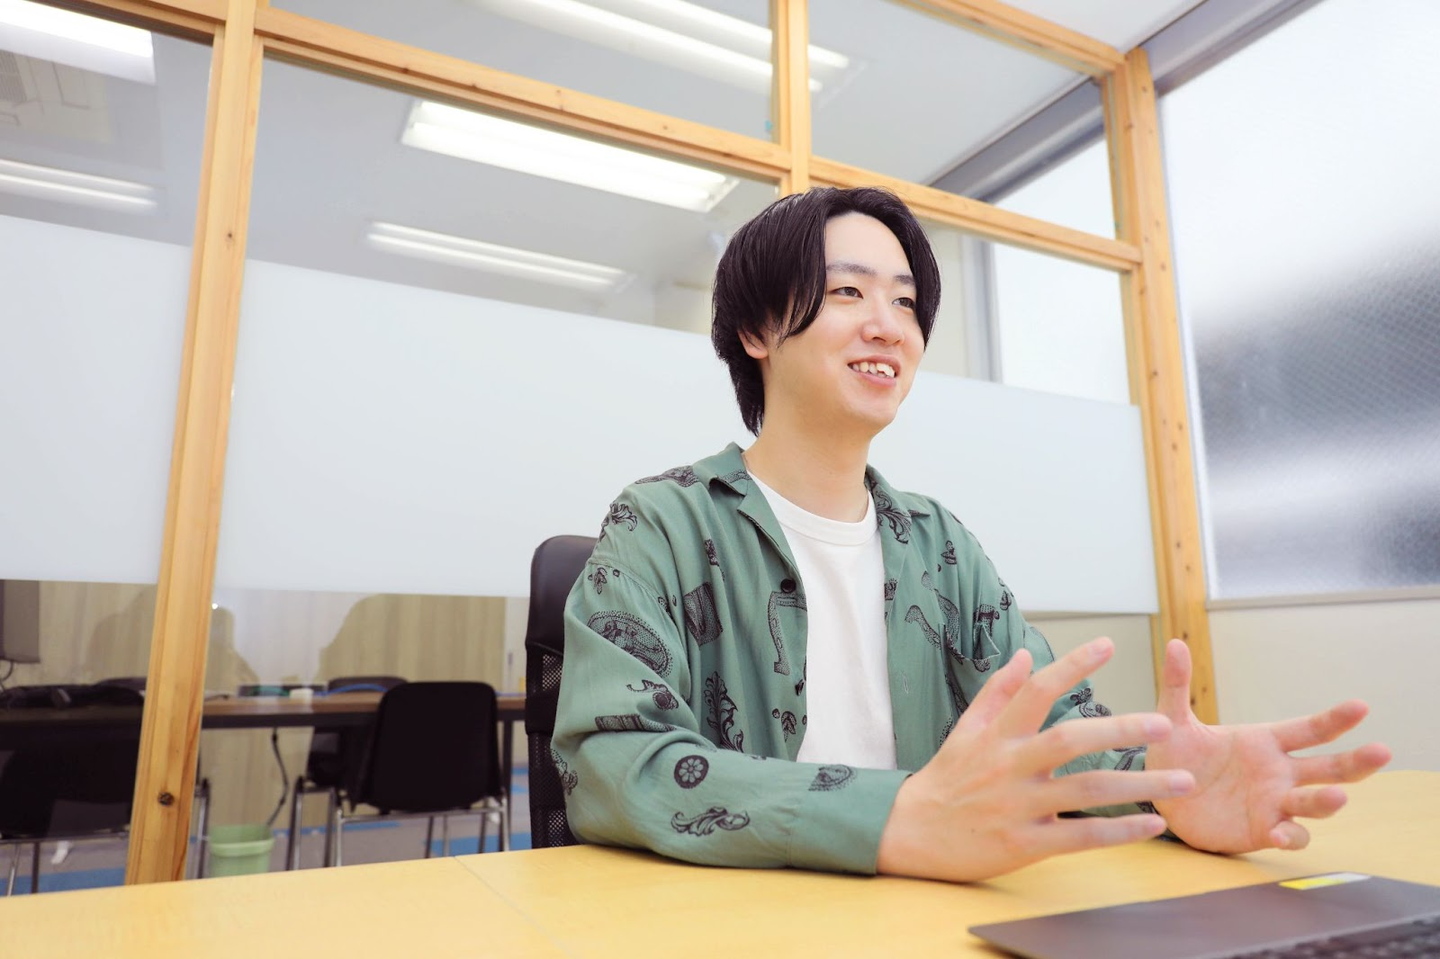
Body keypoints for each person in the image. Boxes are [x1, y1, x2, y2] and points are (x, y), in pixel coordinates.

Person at [552, 186, 1391, 882]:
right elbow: (612, 764)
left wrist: (1168, 786)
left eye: (905, 302)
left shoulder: (938, 545)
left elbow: (1048, 726)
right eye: (848, 293)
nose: (889, 325)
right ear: (757, 330)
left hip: (927, 916)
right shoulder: (662, 522)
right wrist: (893, 818)